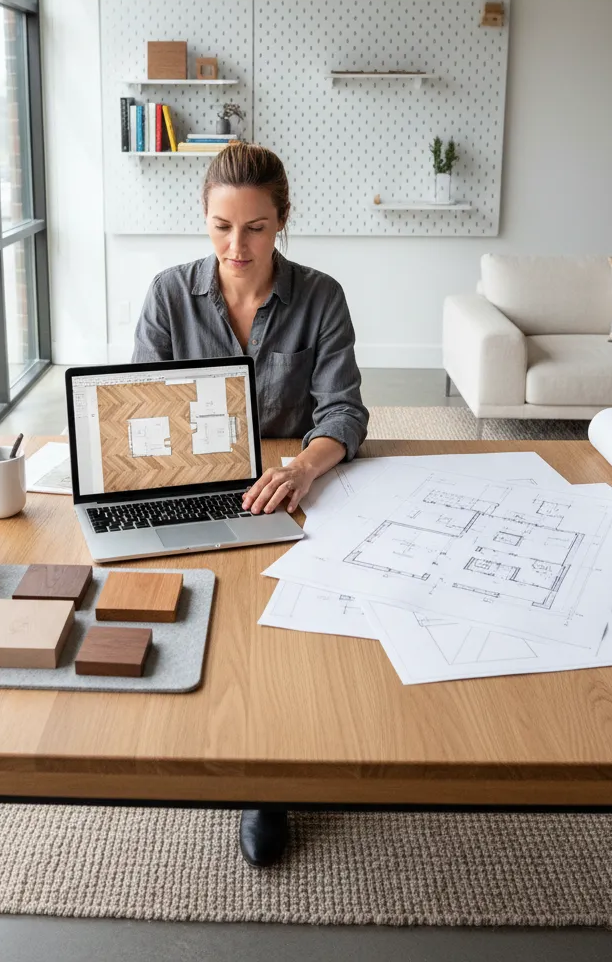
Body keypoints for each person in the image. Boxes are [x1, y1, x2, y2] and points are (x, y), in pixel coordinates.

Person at [133, 143, 369, 865]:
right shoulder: (169, 293)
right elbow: (140, 407)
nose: (238, 248)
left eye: (256, 229)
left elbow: (346, 413)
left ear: (282, 222)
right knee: (200, 612)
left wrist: (302, 467)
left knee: (288, 625)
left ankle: (268, 775)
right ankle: (226, 756)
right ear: (205, 220)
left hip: (293, 483)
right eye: (221, 227)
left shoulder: (321, 295)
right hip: (192, 480)